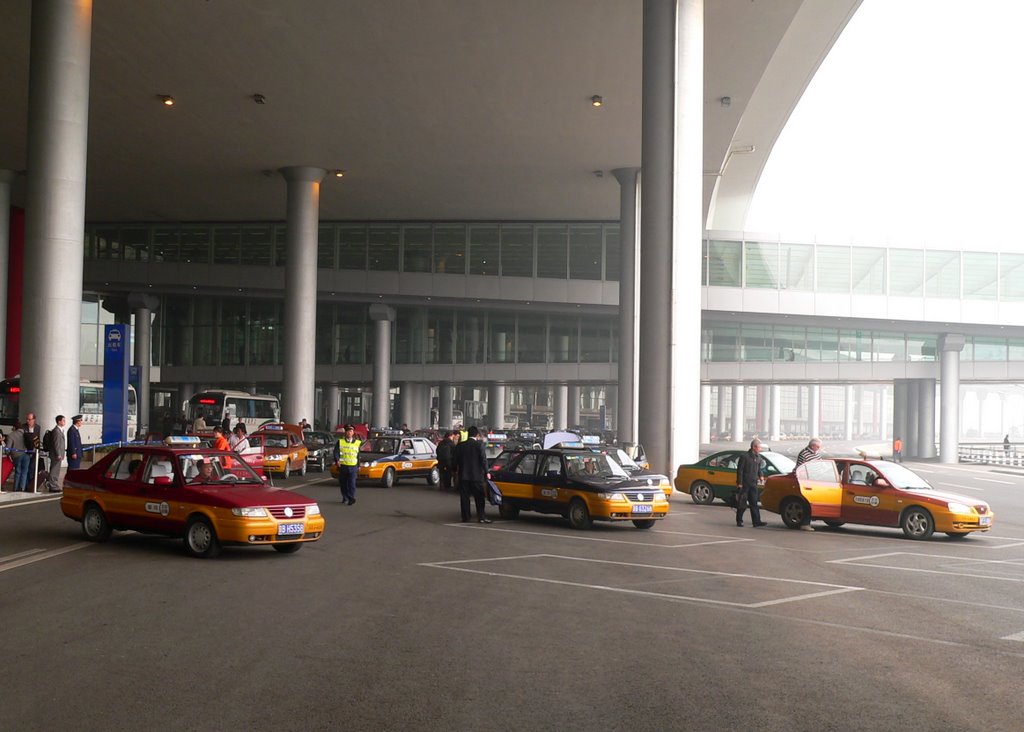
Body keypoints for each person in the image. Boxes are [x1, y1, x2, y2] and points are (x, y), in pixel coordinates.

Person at [455, 425, 490, 523]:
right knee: (479, 497)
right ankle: (481, 517)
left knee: (465, 498)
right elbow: (483, 460)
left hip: (463, 476)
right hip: (476, 476)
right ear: (477, 435)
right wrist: (487, 472)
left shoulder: (460, 446)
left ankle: (466, 517)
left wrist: (455, 471)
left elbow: (455, 460)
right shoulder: (479, 445)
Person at [735, 437, 768, 529]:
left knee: (754, 503)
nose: (760, 449)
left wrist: (761, 476)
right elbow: (740, 471)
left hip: (753, 483)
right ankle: (739, 520)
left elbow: (759, 468)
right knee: (742, 503)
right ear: (754, 447)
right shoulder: (745, 456)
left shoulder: (758, 457)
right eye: (759, 447)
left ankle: (756, 521)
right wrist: (739, 483)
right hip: (745, 484)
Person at [793, 437, 821, 530]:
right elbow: (801, 468)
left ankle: (807, 522)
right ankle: (805, 524)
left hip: (815, 481)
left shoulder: (817, 453)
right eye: (817, 447)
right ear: (812, 446)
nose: (819, 449)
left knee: (812, 503)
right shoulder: (804, 453)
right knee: (807, 502)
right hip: (806, 481)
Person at [334, 424, 362, 505]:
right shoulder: (340, 442)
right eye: (347, 431)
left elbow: (358, 455)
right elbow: (336, 452)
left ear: (353, 433)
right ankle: (345, 497)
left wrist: (359, 465)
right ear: (345, 433)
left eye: (351, 431)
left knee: (352, 483)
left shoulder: (358, 443)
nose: (349, 433)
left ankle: (351, 498)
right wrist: (337, 460)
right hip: (343, 466)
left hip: (353, 466)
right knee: (343, 484)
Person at [46, 414, 67, 493]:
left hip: (59, 454)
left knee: (56, 470)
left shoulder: (60, 430)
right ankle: (52, 485)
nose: (64, 422)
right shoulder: (56, 431)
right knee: (54, 470)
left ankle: (54, 484)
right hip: (56, 455)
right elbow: (56, 444)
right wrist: (58, 454)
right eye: (63, 420)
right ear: (59, 421)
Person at [6, 421, 27, 491]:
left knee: (18, 471)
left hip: (16, 455)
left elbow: (8, 448)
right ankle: (22, 487)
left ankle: (15, 488)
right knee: (24, 471)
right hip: (26, 455)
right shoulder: (26, 434)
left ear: (14, 427)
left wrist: (7, 453)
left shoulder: (11, 435)